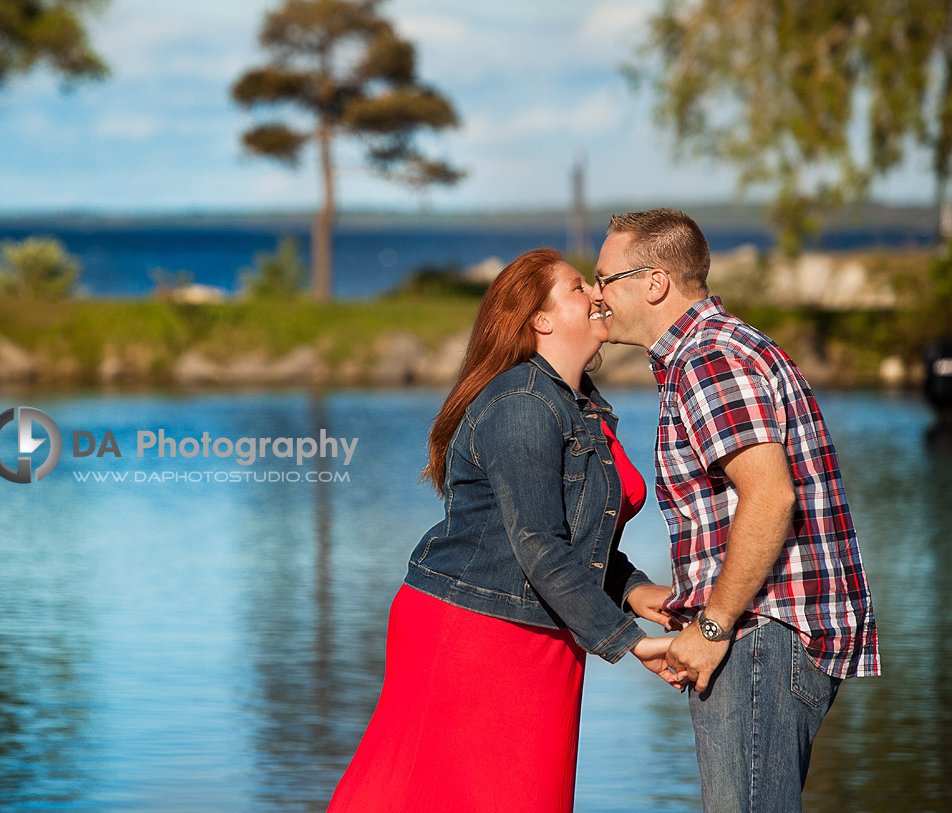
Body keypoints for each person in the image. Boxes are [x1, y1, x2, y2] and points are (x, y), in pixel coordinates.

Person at [328, 248, 682, 813]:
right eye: (575, 288)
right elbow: (538, 544)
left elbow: (572, 537)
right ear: (539, 320)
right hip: (476, 629)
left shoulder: (580, 406)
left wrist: (639, 594)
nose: (595, 294)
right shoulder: (522, 403)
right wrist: (629, 641)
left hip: (539, 627)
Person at [591, 209, 881, 812]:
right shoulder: (719, 348)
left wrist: (713, 625)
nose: (597, 296)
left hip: (757, 637)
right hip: (765, 635)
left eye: (605, 278)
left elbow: (771, 496)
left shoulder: (707, 359)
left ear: (653, 283)